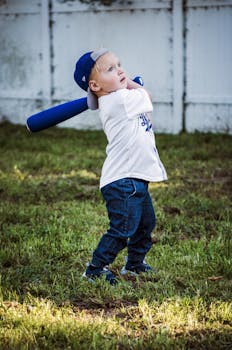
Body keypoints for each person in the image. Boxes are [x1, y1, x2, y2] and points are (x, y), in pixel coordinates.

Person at [74, 48, 167, 285]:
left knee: (145, 224)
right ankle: (95, 269)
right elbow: (147, 95)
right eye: (110, 69)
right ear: (95, 86)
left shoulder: (119, 98)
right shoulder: (118, 100)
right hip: (124, 179)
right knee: (123, 228)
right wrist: (133, 85)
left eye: (119, 64)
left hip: (135, 177)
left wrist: (126, 83)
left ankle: (134, 265)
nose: (120, 70)